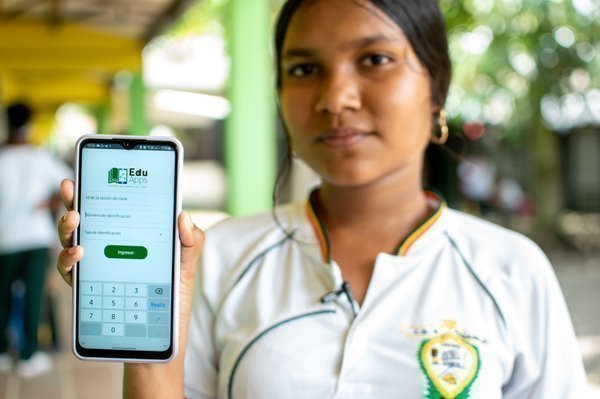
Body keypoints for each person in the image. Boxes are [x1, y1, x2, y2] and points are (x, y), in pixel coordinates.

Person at [57, 0, 588, 397]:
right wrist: (149, 336)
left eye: (375, 59)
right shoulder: (214, 256)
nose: (335, 98)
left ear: (437, 89)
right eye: (304, 70)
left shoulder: (512, 271)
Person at [0, 102, 71, 378]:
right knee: (33, 295)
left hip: (4, 237)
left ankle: (3, 351)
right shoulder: (40, 157)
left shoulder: (2, 158)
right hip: (35, 237)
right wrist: (51, 202)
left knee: (2, 296)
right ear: (29, 124)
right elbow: (70, 180)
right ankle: (29, 354)